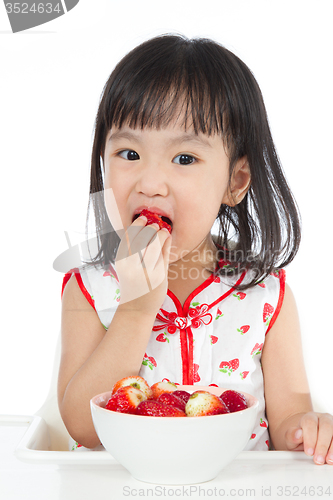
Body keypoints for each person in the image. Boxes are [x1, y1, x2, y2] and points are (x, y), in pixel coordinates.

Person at [58, 34, 333, 463]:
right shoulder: (88, 290)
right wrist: (135, 310)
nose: (149, 182)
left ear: (235, 182)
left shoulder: (265, 294)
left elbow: (288, 420)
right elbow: (80, 426)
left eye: (184, 159)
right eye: (128, 152)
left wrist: (308, 428)